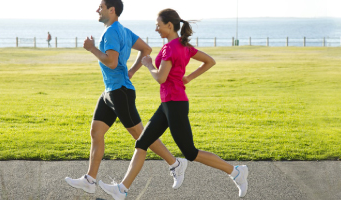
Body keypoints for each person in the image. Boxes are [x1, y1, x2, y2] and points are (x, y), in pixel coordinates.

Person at [97, 8, 249, 200]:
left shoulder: (170, 48)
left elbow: (161, 78)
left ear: (169, 26)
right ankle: (122, 189)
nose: (156, 29)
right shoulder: (183, 45)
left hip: (175, 105)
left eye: (158, 26)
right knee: (142, 142)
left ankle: (236, 172)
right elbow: (209, 61)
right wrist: (188, 78)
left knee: (191, 152)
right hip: (168, 104)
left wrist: (148, 64)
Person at [64, 0, 190, 194]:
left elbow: (112, 62)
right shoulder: (122, 30)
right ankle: (90, 180)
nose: (97, 9)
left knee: (141, 135)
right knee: (96, 132)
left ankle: (175, 164)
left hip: (120, 92)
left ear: (111, 10)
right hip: (110, 91)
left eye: (101, 6)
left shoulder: (112, 32)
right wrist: (131, 71)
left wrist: (91, 48)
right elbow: (146, 49)